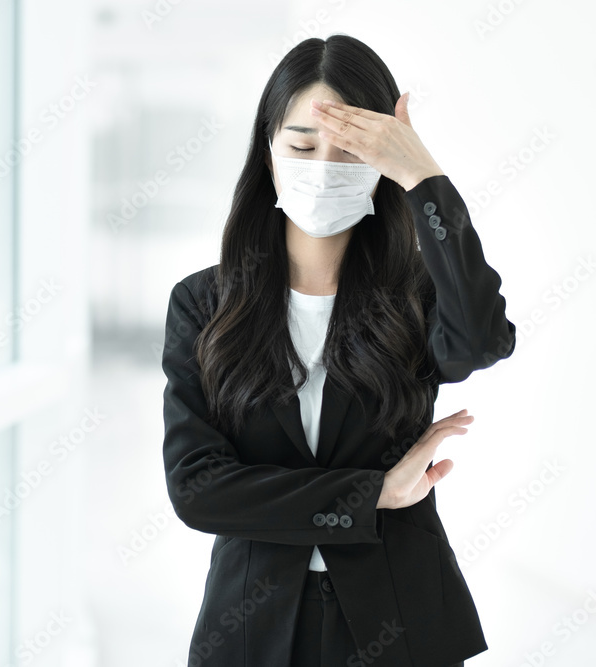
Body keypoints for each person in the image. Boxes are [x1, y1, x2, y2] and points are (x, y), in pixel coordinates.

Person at [160, 34, 516, 667]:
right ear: (267, 152)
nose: (324, 166)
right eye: (301, 144)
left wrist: (423, 177)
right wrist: (371, 492)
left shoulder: (416, 296)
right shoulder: (204, 304)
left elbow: (482, 341)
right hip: (253, 630)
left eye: (352, 148)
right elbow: (199, 490)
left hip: (403, 624)